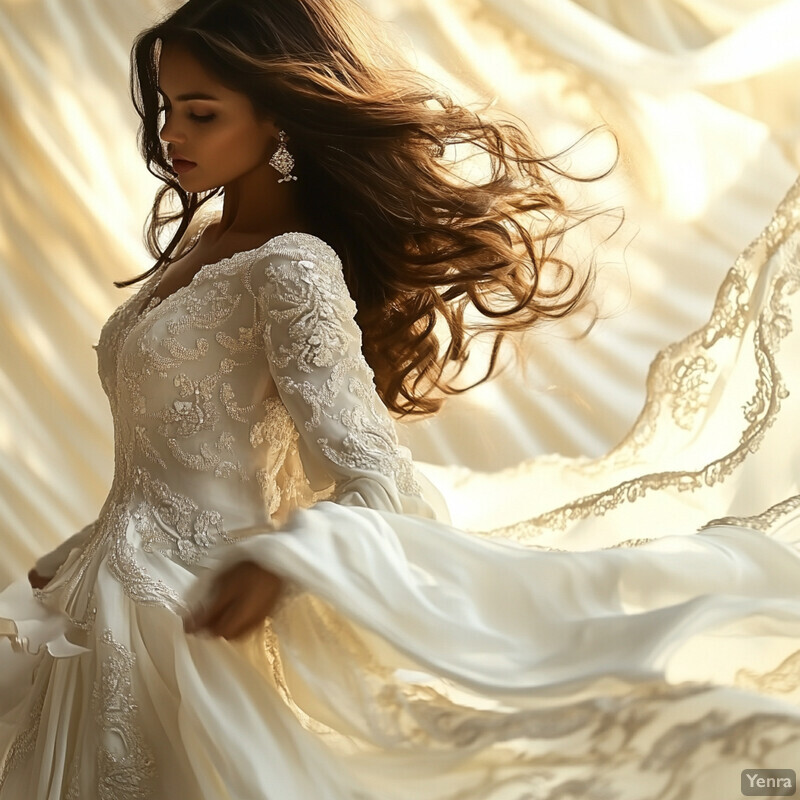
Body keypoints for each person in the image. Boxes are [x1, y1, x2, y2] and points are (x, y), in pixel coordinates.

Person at [2, 0, 800, 797]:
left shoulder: (290, 268)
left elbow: (371, 471)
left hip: (195, 615)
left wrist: (281, 562)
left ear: (278, 117)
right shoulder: (206, 247)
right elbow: (162, 465)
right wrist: (72, 555)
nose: (171, 134)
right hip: (107, 599)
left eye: (202, 113)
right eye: (170, 108)